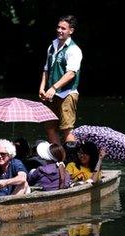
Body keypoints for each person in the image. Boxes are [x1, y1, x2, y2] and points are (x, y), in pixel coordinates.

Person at [39, 15, 82, 144]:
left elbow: (71, 74)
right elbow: (46, 69)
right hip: (52, 94)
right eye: (58, 27)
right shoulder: (52, 46)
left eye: (63, 28)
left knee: (67, 129)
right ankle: (58, 160)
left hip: (67, 94)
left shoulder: (74, 49)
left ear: (71, 31)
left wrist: (53, 87)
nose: (59, 30)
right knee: (50, 128)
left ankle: (71, 161)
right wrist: (42, 87)